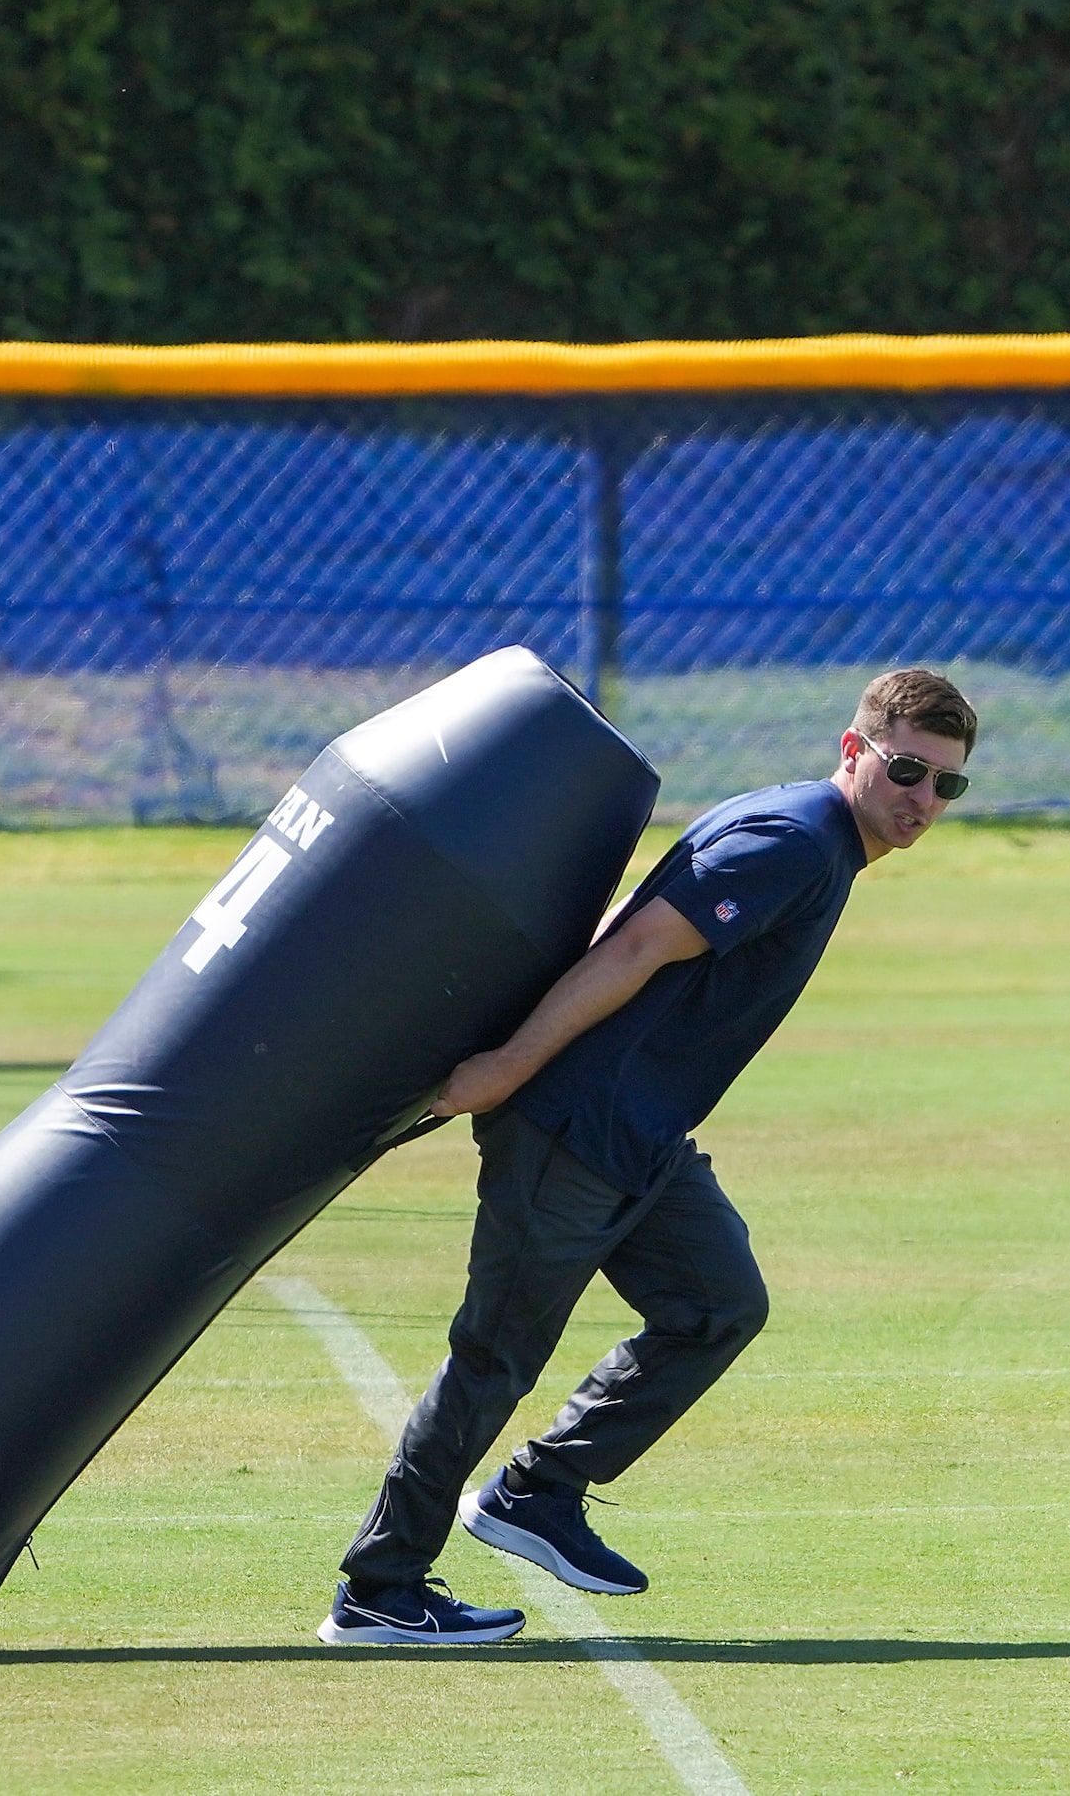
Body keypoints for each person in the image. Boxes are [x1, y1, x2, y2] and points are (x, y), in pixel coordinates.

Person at [317, 668, 977, 1645]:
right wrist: (506, 1066)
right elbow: (630, 952)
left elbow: (624, 915)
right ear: (854, 751)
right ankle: (378, 1589)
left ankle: (537, 1493)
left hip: (641, 1141)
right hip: (575, 1132)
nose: (921, 801)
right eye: (907, 770)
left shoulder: (811, 838)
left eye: (945, 787)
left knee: (718, 1303)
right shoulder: (797, 842)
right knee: (493, 1362)